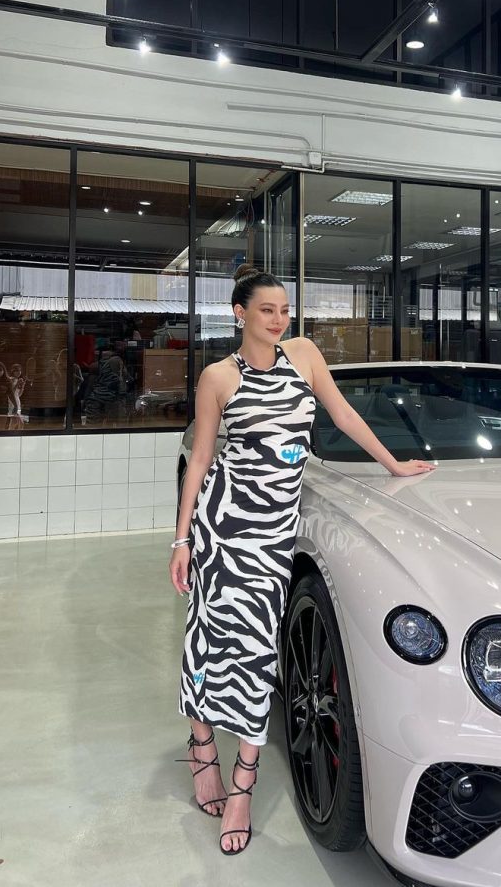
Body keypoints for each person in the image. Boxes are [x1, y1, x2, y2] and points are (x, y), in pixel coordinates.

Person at [169, 264, 435, 856]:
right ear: (239, 313)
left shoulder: (306, 356)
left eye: (285, 310)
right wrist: (182, 539)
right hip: (224, 527)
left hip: (273, 535)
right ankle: (202, 748)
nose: (279, 319)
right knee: (208, 640)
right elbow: (202, 459)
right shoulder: (217, 377)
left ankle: (243, 785)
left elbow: (344, 416)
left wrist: (394, 464)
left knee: (259, 654)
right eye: (267, 310)